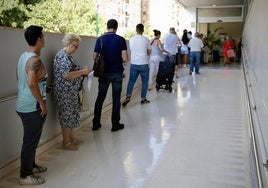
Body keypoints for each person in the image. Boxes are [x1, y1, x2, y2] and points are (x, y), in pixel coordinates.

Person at [16, 25, 47, 185]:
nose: (44, 38)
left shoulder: (23, 56)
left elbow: (20, 77)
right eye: (42, 36)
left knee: (32, 139)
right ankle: (25, 175)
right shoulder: (35, 60)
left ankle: (31, 165)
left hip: (23, 103)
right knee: (30, 141)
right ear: (38, 39)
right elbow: (31, 83)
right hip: (32, 107)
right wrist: (41, 103)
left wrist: (45, 88)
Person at [53, 33, 90, 150]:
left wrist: (85, 70)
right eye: (75, 46)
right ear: (69, 44)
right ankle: (66, 142)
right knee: (66, 116)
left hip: (71, 92)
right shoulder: (62, 56)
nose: (76, 49)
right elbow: (67, 75)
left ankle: (72, 138)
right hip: (64, 93)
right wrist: (82, 72)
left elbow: (74, 68)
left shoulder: (68, 56)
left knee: (72, 114)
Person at [92, 19, 128, 132]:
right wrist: (118, 60)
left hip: (104, 73)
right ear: (116, 28)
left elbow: (94, 56)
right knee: (116, 99)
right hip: (117, 72)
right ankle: (115, 124)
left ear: (107, 27)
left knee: (100, 97)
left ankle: (96, 123)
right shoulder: (121, 40)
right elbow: (125, 58)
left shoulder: (100, 39)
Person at [122, 23, 151, 107]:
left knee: (131, 81)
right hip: (144, 64)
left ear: (136, 30)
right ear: (143, 30)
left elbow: (132, 50)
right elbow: (149, 52)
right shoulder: (146, 40)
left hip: (134, 64)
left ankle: (128, 97)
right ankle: (143, 99)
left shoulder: (131, 39)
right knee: (145, 82)